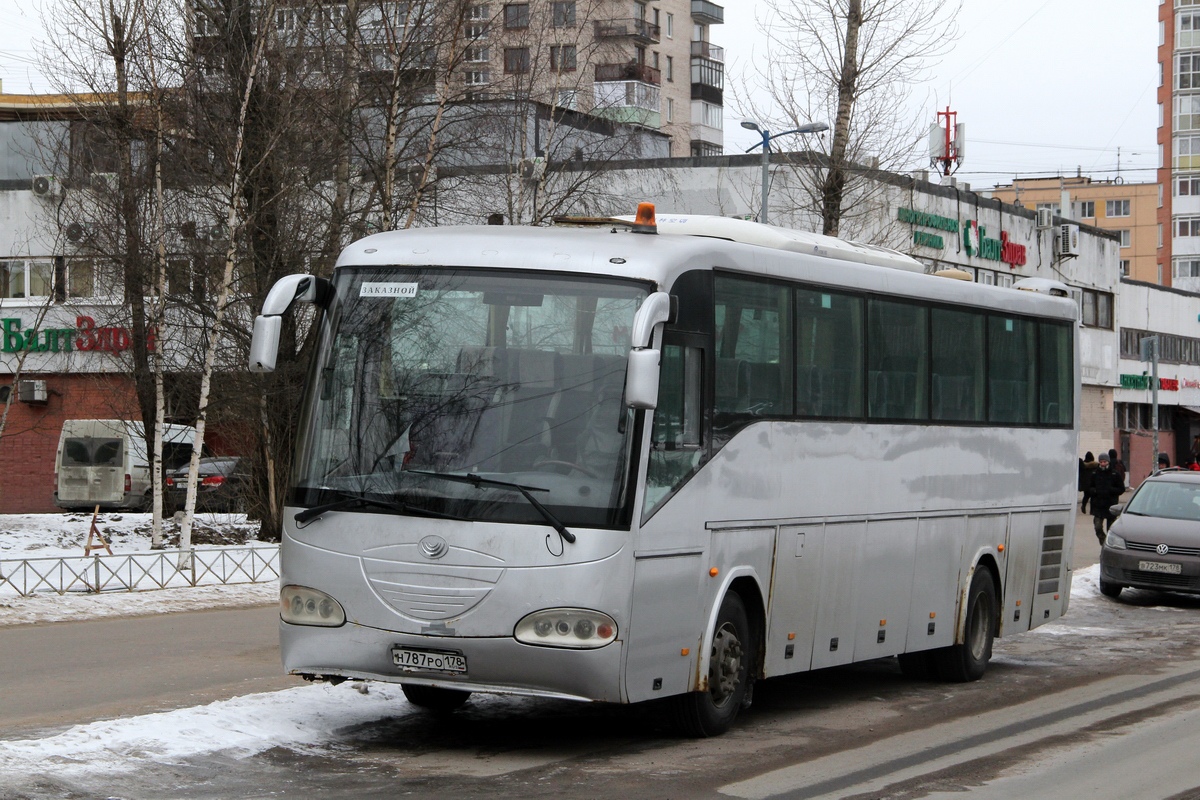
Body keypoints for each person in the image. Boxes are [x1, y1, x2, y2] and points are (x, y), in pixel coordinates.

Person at [1091, 451, 1125, 545]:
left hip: (1111, 506)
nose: (1102, 464)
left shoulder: (1115, 474)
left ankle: (1108, 545)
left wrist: (1111, 490)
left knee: (1110, 529)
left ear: (1108, 462)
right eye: (1101, 462)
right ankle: (1104, 542)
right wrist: (1094, 491)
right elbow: (1089, 487)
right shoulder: (1095, 473)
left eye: (1104, 462)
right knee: (1097, 527)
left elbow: (1121, 489)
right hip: (1098, 505)